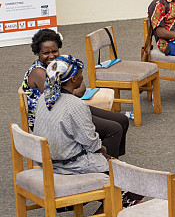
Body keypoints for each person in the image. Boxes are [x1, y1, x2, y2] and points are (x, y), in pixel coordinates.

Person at [33, 56, 141, 211]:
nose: (83, 78)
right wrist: (104, 152)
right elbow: (92, 144)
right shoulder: (76, 105)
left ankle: (115, 204)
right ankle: (109, 212)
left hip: (47, 162)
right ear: (74, 79)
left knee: (111, 161)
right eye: (81, 74)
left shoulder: (45, 97)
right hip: (69, 165)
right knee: (130, 174)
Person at [22, 31, 129, 159]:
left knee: (122, 120)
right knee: (113, 129)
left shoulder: (59, 66)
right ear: (37, 53)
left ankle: (112, 158)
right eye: (46, 53)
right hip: (51, 118)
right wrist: (74, 87)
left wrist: (73, 88)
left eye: (54, 51)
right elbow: (68, 94)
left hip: (68, 107)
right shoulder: (39, 72)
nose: (51, 56)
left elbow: (78, 90)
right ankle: (106, 170)